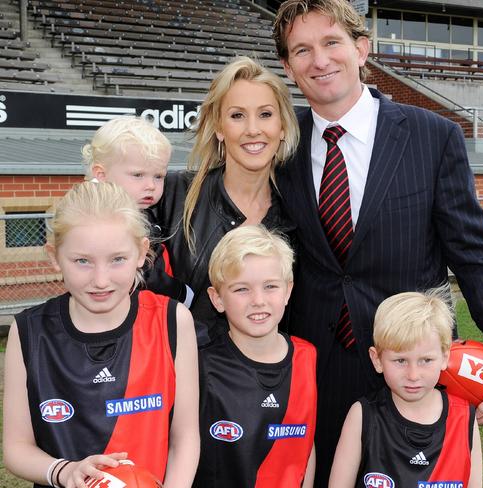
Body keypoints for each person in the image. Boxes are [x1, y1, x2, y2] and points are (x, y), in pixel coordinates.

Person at [272, 0, 483, 480]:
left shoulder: (432, 136)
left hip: (414, 368)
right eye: (302, 49)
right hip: (312, 368)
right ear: (287, 65)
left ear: (362, 49)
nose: (319, 60)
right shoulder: (279, 143)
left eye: (332, 42)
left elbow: (475, 258)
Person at [2, 182, 199, 488]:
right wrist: (63, 471)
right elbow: (16, 448)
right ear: (55, 257)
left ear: (141, 253)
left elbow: (185, 436)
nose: (100, 280)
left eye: (117, 259)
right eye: (82, 261)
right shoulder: (29, 331)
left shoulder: (173, 321)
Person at [151, 56, 299, 345]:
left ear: (282, 127)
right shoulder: (170, 193)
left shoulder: (299, 214)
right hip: (182, 377)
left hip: (265, 383)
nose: (253, 129)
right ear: (219, 127)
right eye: (237, 116)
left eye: (266, 114)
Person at [193, 225, 317, 487]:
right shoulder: (201, 365)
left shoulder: (306, 356)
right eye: (241, 290)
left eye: (270, 286)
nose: (258, 300)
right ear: (217, 299)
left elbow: (306, 443)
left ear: (288, 291)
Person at [329, 289, 482, 487]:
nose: (413, 375)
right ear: (377, 359)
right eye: (400, 360)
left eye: (426, 360)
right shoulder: (362, 415)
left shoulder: (464, 418)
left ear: (445, 357)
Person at [82, 116, 193, 307]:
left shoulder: (140, 210)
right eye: (138, 175)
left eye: (158, 176)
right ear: (101, 175)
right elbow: (145, 273)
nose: (150, 185)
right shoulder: (104, 220)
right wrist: (183, 294)